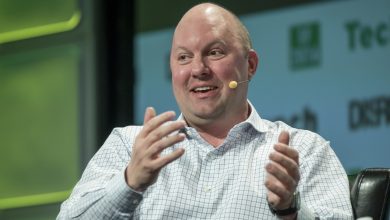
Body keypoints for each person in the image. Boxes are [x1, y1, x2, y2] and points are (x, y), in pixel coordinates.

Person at [57, 3, 353, 219]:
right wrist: (129, 182)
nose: (198, 69)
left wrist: (291, 209)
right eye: (184, 57)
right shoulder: (130, 146)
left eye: (214, 53)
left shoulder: (303, 150)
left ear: (250, 65)